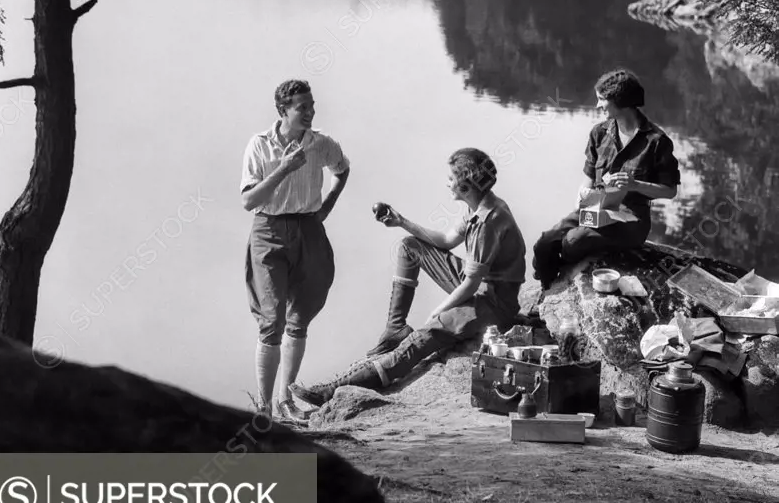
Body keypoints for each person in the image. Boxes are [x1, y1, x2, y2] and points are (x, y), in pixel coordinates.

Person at [290, 147, 525, 406]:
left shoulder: (488, 222)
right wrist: (402, 221)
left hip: (494, 303)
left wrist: (438, 312)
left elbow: (470, 285)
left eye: (452, 178)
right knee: (409, 247)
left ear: (467, 187)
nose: (447, 182)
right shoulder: (476, 205)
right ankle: (396, 327)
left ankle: (334, 391)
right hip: (480, 286)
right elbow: (446, 241)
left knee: (425, 336)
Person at [241, 79, 350, 423]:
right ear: (283, 111)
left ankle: (285, 401)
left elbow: (343, 169)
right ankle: (263, 407)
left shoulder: (321, 144)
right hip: (268, 231)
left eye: (311, 105)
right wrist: (284, 168)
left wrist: (326, 208)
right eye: (302, 107)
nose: (310, 111)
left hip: (308, 230)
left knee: (300, 317)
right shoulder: (259, 145)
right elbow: (248, 200)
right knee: (271, 319)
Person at [532, 68, 680, 290]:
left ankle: (563, 281)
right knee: (544, 244)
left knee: (573, 242)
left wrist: (634, 185)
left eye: (602, 100)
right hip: (596, 209)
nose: (597, 106)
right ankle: (547, 292)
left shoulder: (656, 141)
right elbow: (588, 179)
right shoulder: (599, 132)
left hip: (631, 220)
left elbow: (669, 191)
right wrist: (582, 204)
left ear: (621, 101)